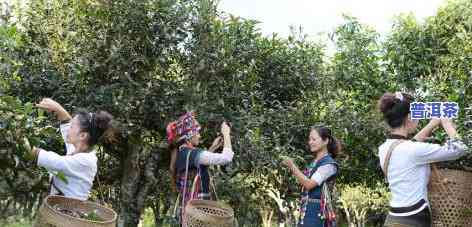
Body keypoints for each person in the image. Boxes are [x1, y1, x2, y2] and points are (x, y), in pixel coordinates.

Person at [378, 92, 468, 226]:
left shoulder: (384, 148)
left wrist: (432, 124)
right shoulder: (413, 150)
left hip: (393, 218)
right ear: (409, 117)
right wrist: (447, 123)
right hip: (414, 219)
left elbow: (408, 147)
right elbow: (460, 148)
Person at [29, 98, 115, 200]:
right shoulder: (77, 149)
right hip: (58, 208)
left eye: (72, 127)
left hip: (67, 213)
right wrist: (56, 108)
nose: (69, 129)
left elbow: (55, 161)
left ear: (82, 135)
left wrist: (20, 140)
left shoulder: (86, 161)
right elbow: (66, 121)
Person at [167, 112, 234, 225]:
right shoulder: (193, 154)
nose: (199, 135)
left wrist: (213, 147)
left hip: (190, 216)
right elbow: (226, 158)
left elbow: (196, 167)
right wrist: (226, 134)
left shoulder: (182, 154)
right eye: (197, 132)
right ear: (189, 136)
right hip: (199, 215)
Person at [282, 125, 340, 227]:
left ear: (325, 140)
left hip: (317, 216)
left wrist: (292, 166)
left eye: (314, 139)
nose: (310, 142)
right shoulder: (313, 163)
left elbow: (309, 184)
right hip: (306, 214)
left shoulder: (328, 165)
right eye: (309, 139)